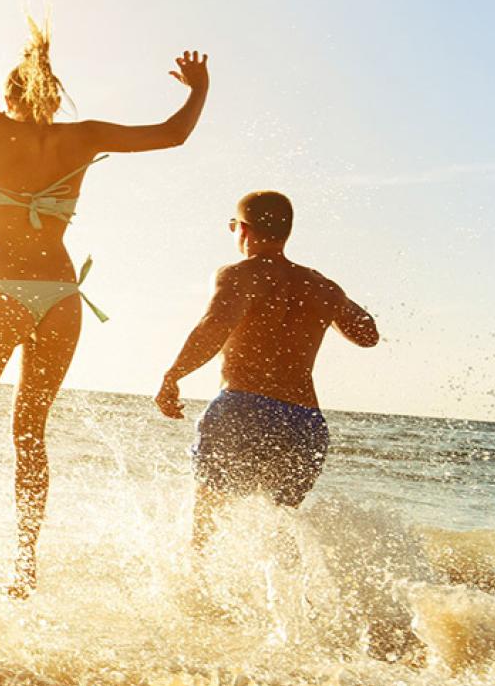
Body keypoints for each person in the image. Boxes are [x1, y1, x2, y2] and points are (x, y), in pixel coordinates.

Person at [0, 0, 207, 595]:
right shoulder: (83, 136)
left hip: (2, 289)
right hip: (60, 297)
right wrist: (199, 89)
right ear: (56, 99)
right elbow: (173, 135)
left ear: (11, 95)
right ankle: (24, 569)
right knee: (30, 432)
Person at [156, 190, 379, 547]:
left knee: (206, 528)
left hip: (244, 408)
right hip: (304, 423)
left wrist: (173, 375)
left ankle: (199, 597)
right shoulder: (320, 285)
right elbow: (368, 334)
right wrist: (331, 299)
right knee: (279, 536)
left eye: (232, 226)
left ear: (242, 229)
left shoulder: (239, 274)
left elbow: (215, 326)